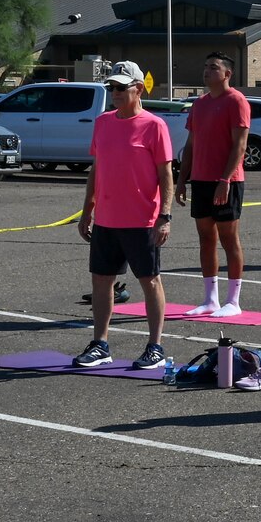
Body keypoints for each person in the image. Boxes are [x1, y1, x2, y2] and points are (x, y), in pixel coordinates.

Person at [73, 62, 173, 368]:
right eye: (111, 88)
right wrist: (86, 210)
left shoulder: (154, 125)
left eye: (120, 88)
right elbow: (97, 169)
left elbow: (166, 174)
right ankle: (100, 344)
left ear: (138, 89)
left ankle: (155, 346)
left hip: (142, 220)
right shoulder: (103, 122)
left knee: (149, 281)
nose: (114, 93)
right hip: (106, 219)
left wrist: (165, 216)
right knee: (101, 281)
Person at [176, 52, 250, 317]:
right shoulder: (199, 104)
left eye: (214, 68)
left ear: (227, 74)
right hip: (201, 180)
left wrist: (225, 179)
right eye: (205, 67)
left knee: (229, 238)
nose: (207, 71)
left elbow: (240, 146)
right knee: (206, 237)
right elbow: (191, 145)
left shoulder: (236, 101)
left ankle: (233, 301)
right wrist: (182, 180)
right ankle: (210, 300)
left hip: (227, 181)